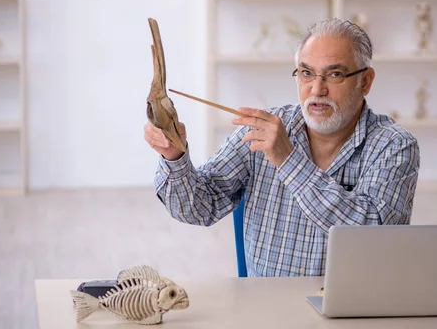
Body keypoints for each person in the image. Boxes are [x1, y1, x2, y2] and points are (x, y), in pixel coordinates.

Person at [144, 18, 420, 277]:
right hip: (267, 309)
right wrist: (174, 155)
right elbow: (198, 209)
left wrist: (288, 160)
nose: (316, 89)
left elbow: (375, 240)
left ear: (366, 82)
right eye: (306, 73)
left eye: (334, 74)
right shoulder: (262, 130)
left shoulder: (394, 146)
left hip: (353, 314)